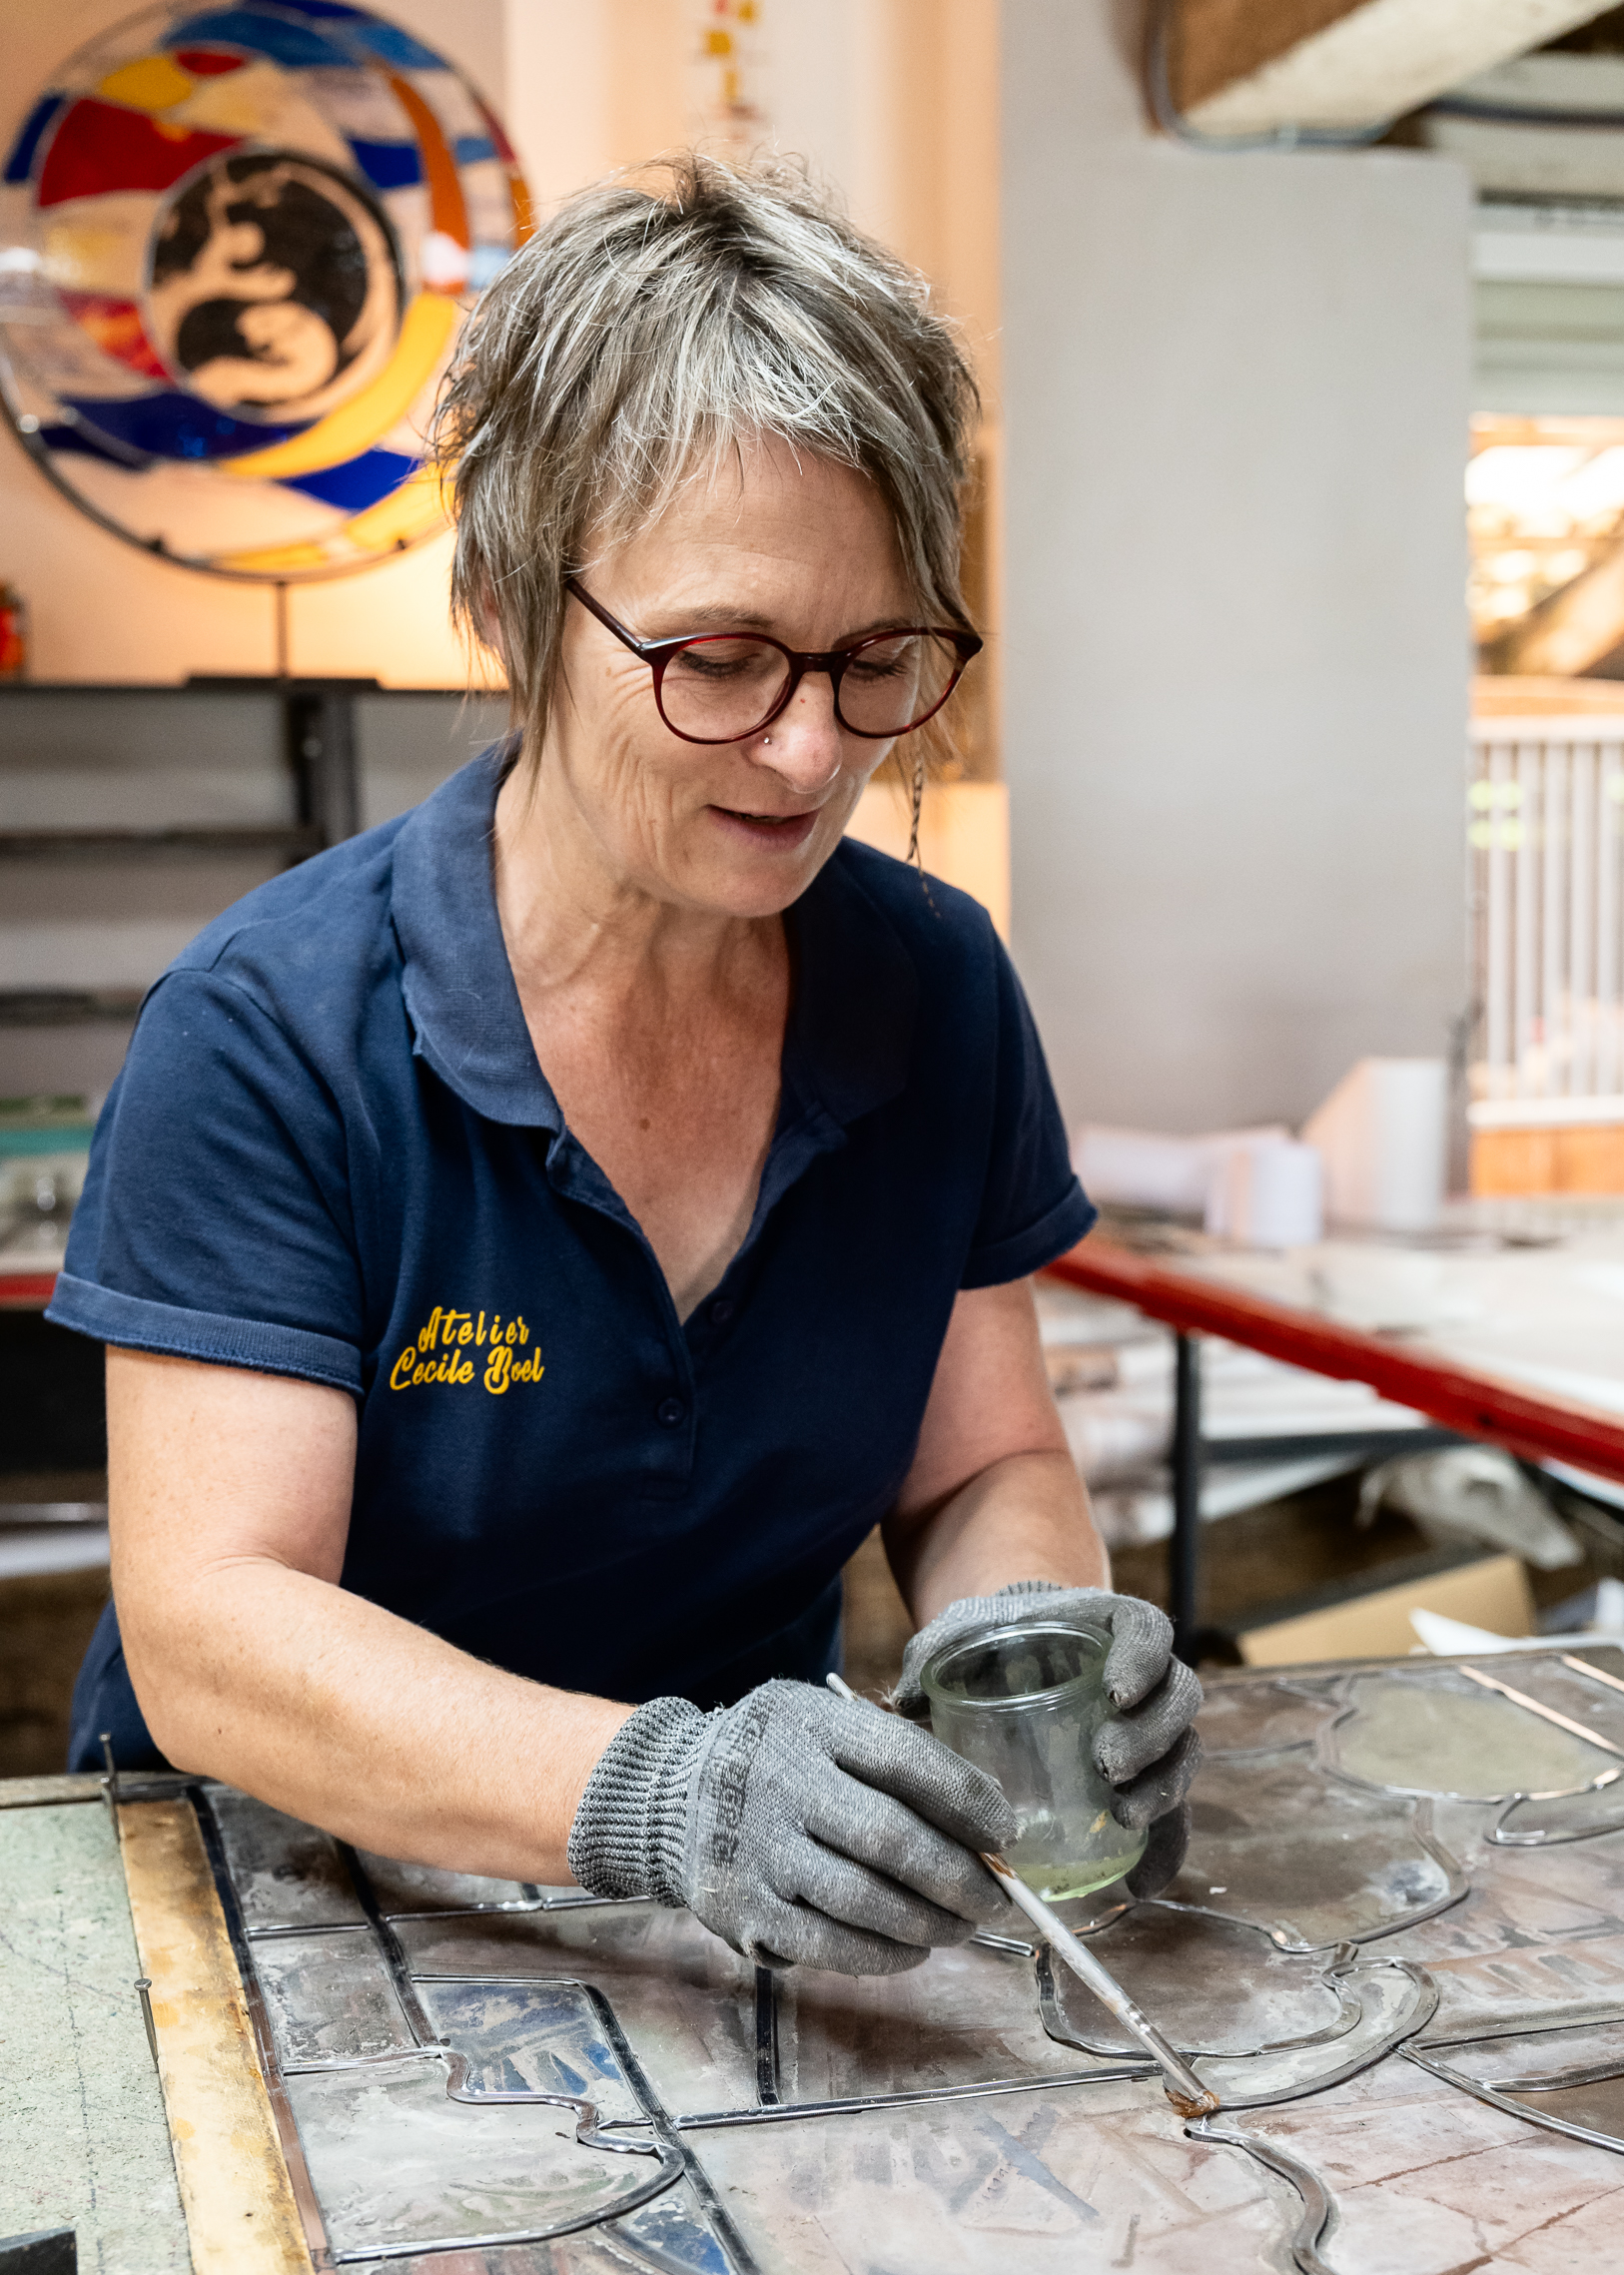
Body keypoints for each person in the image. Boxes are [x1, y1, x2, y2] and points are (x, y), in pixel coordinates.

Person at [50, 155, 1201, 1975]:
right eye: (722, 659)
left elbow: (983, 1463)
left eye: (875, 656)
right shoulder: (273, 1034)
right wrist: (660, 1794)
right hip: (285, 1900)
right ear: (517, 609)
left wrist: (1034, 1654)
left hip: (727, 1938)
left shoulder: (932, 987)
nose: (811, 752)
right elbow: (216, 1628)